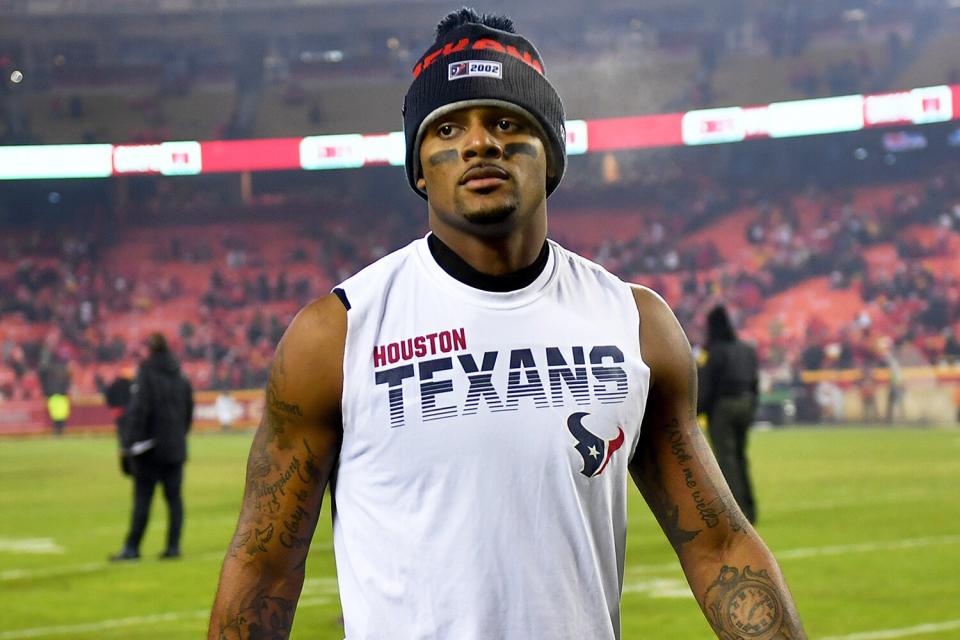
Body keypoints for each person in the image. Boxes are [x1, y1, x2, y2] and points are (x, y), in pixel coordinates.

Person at [209, 9, 806, 639]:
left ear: (551, 153)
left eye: (505, 121)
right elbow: (265, 570)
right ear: (419, 167)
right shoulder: (336, 335)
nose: (479, 143)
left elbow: (718, 546)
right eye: (447, 128)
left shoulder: (635, 325)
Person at [111, 333, 193, 561]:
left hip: (149, 450)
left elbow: (140, 411)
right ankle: (173, 547)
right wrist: (178, 436)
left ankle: (132, 547)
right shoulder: (180, 375)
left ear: (150, 350)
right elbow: (188, 412)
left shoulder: (145, 373)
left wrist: (128, 444)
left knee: (143, 499)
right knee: (174, 499)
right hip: (175, 448)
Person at [698, 305, 761, 524]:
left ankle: (737, 513)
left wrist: (697, 411)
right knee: (741, 458)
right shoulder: (747, 350)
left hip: (723, 409)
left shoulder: (715, 352)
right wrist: (753, 406)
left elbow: (707, 386)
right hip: (745, 404)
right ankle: (750, 508)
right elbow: (755, 383)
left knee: (726, 461)